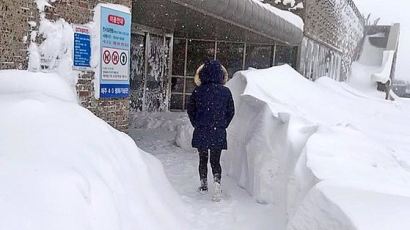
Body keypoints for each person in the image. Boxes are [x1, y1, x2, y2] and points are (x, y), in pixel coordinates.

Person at [187, 59, 235, 201]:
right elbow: (231, 111)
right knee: (215, 160)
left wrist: (197, 123)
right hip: (218, 131)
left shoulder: (198, 91)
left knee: (203, 159)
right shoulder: (225, 92)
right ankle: (217, 184)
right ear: (221, 75)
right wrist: (222, 124)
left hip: (201, 129)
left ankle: (203, 185)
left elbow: (191, 110)